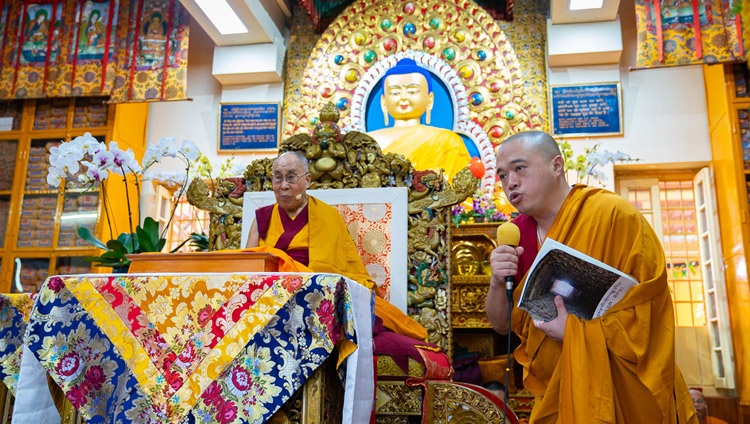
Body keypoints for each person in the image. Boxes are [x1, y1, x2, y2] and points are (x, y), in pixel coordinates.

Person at [485, 131, 697, 423]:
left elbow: (650, 308)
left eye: (519, 168)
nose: (511, 182)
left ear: (557, 165)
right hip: (557, 389)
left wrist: (574, 332)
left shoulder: (613, 216)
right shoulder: (517, 234)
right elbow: (502, 324)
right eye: (502, 175)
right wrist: (497, 280)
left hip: (624, 384)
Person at [245, 151, 427, 341]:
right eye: (277, 178)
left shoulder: (329, 217)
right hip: (271, 301)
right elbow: (248, 270)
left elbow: (347, 271)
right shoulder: (262, 220)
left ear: (307, 180)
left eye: (291, 177)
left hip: (318, 298)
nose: (283, 186)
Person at [367, 58, 472, 182]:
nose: (404, 97)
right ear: (383, 101)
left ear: (430, 99)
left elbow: (463, 193)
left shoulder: (447, 141)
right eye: (395, 92)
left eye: (412, 91)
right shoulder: (366, 142)